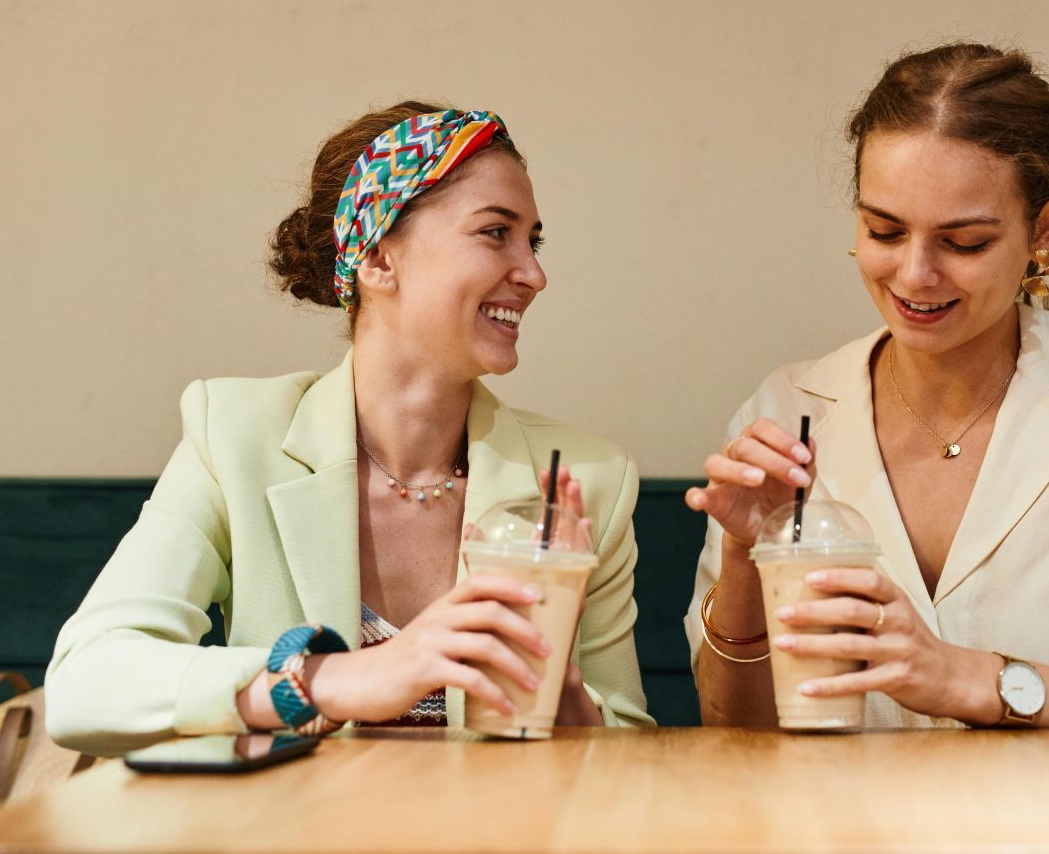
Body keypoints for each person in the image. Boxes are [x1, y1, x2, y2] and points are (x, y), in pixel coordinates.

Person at [683, 44, 1049, 773]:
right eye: (883, 231)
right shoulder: (786, 410)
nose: (915, 273)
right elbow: (734, 732)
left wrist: (971, 679)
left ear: (1043, 232)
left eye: (964, 241)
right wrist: (748, 558)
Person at [48, 103, 652, 754]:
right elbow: (87, 681)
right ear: (379, 258)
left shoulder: (586, 480)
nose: (534, 274)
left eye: (530, 240)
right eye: (494, 233)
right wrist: (337, 679)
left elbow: (626, 747)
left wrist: (565, 703)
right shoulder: (234, 436)